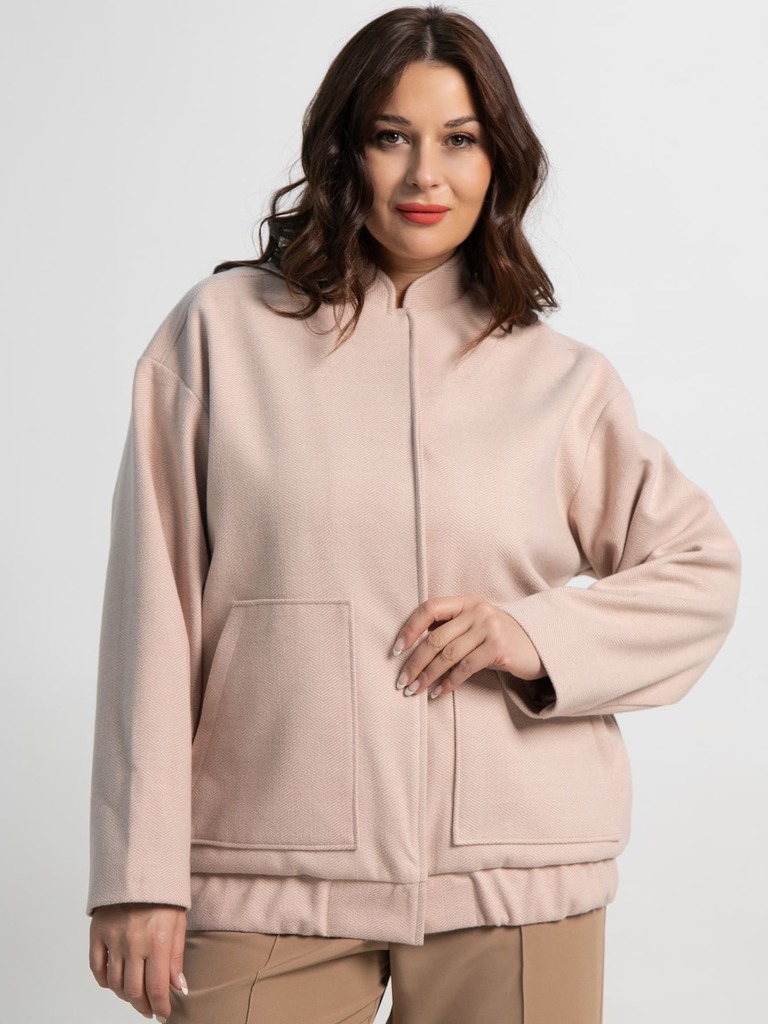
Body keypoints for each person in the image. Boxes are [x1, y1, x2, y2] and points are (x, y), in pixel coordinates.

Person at [86, 5, 741, 1023]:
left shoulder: (562, 382)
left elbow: (701, 569)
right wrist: (137, 874)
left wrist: (536, 635)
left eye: (460, 140)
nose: (425, 175)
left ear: (499, 161)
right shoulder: (218, 336)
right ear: (345, 151)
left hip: (516, 872)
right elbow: (151, 612)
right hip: (269, 862)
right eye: (393, 136)